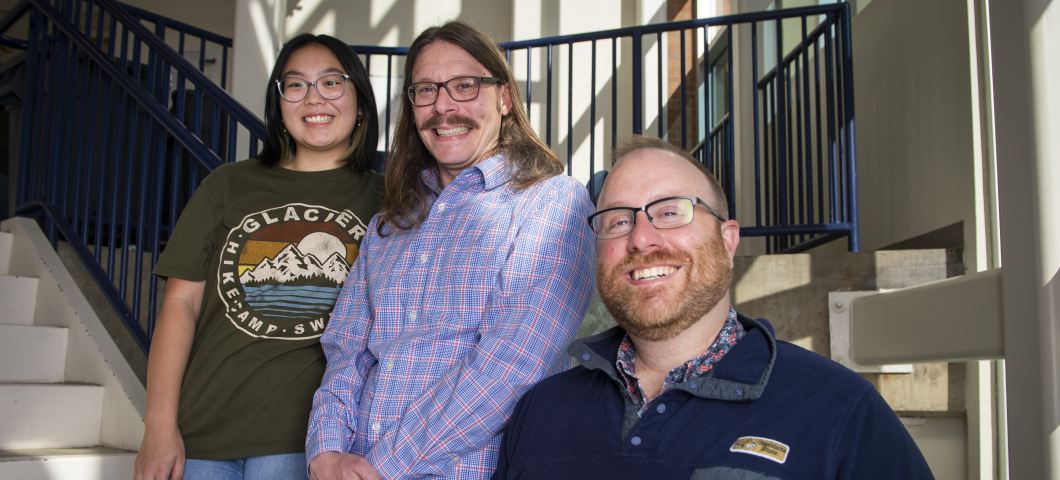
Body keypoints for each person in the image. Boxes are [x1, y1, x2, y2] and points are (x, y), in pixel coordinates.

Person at [492, 136, 935, 479]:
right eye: (618, 221)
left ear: (728, 241)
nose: (641, 238)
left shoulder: (838, 410)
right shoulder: (540, 411)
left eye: (669, 212)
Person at [305, 21, 596, 480]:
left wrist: (382, 466)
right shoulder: (388, 224)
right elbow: (346, 352)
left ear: (503, 98)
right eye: (425, 90)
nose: (443, 106)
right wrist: (326, 449)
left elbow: (513, 365)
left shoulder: (553, 201)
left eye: (464, 86)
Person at [133, 33, 384, 480]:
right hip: (201, 432)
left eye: (331, 82)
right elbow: (181, 304)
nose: (313, 98)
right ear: (279, 103)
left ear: (360, 101)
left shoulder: (388, 199)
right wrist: (158, 425)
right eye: (295, 84)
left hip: (307, 440)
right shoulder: (227, 184)